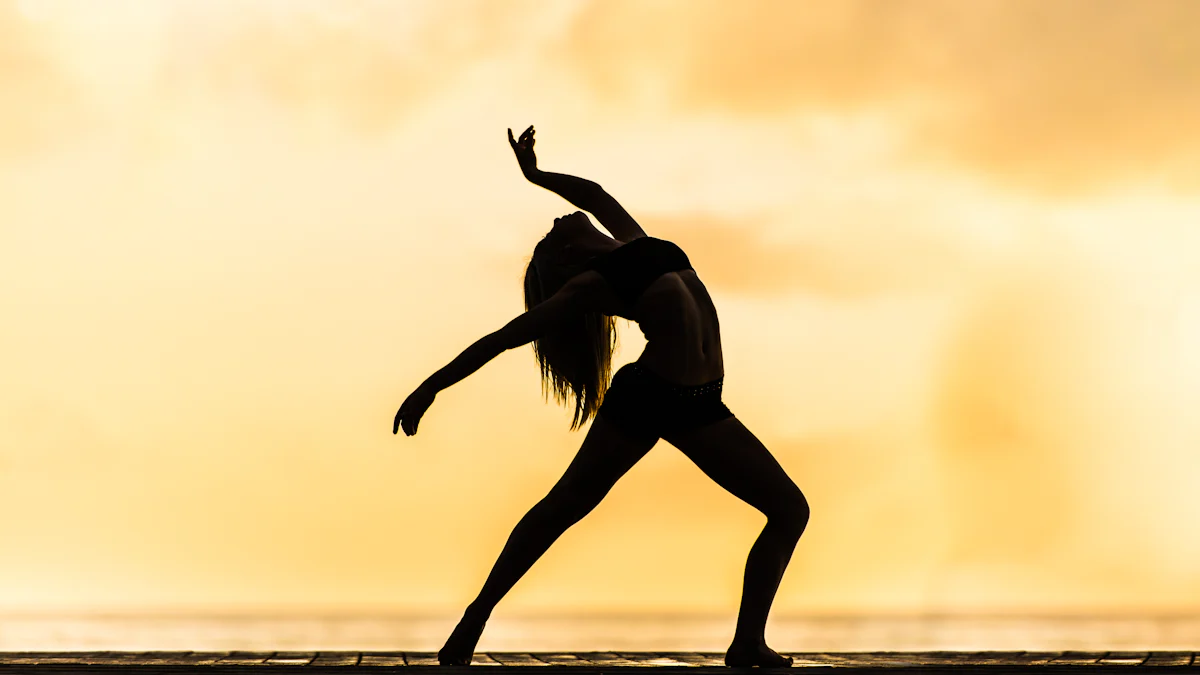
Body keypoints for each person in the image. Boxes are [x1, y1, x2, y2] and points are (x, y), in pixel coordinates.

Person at [394, 126, 809, 667]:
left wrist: (536, 175)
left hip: (702, 405)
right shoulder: (589, 286)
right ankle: (475, 617)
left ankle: (747, 642)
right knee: (564, 507)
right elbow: (502, 339)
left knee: (788, 509)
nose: (558, 218)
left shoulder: (636, 243)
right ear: (562, 257)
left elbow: (590, 194)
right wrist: (431, 386)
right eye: (549, 232)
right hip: (650, 397)